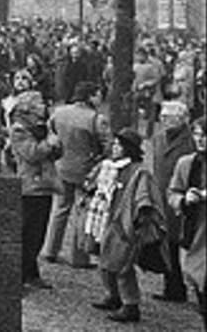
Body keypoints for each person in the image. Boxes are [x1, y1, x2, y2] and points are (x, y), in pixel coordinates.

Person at [88, 128, 165, 323]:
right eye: (113, 144)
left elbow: (144, 197)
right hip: (105, 219)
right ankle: (112, 295)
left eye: (119, 145)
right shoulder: (108, 166)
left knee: (122, 264)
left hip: (124, 224)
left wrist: (140, 221)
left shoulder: (139, 171)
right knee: (105, 260)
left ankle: (131, 305)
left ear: (128, 148)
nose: (114, 147)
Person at [42, 81, 110, 267]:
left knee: (60, 209)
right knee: (82, 212)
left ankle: (50, 250)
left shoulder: (59, 112)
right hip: (85, 170)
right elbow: (107, 146)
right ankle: (79, 257)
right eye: (98, 94)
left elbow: (50, 131)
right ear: (90, 96)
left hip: (61, 166)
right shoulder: (96, 119)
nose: (100, 97)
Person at [8, 93, 61, 291]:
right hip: (30, 186)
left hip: (43, 184)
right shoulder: (19, 129)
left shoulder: (42, 126)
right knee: (29, 233)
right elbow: (31, 153)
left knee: (38, 233)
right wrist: (50, 144)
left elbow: (55, 150)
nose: (43, 105)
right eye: (38, 102)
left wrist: (56, 146)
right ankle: (19, 276)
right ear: (27, 107)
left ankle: (31, 272)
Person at [151, 100, 195, 304]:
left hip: (184, 198)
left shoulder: (191, 140)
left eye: (171, 118)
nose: (166, 122)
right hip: (162, 196)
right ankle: (173, 287)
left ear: (182, 119)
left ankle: (185, 287)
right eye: (163, 118)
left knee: (183, 243)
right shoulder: (158, 138)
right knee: (167, 244)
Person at [167, 117, 206, 327]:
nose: (200, 140)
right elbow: (173, 193)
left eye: (204, 135)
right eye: (197, 135)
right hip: (195, 234)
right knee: (200, 286)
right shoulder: (187, 163)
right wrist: (183, 199)